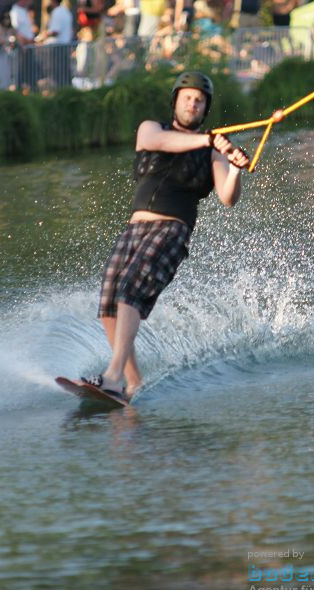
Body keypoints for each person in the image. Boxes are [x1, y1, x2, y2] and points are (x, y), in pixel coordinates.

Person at [81, 72, 250, 402]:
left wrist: (235, 168)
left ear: (205, 109)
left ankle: (112, 376)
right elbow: (161, 143)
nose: (193, 103)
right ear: (175, 101)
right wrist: (208, 140)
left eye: (199, 101)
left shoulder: (212, 153)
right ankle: (131, 384)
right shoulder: (151, 129)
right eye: (187, 97)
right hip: (135, 229)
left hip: (172, 229)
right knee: (108, 303)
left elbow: (228, 198)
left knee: (130, 289)